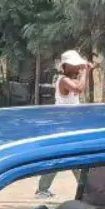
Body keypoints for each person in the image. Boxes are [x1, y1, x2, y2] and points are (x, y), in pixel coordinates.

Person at [37, 50, 89, 197]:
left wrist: (85, 70)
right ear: (65, 67)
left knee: (72, 158)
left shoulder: (70, 79)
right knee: (63, 158)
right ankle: (86, 187)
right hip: (64, 126)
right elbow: (79, 88)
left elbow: (78, 86)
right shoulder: (63, 80)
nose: (77, 68)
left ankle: (85, 187)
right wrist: (85, 71)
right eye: (74, 65)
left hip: (70, 125)